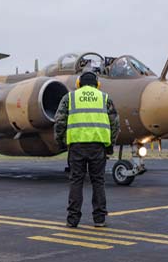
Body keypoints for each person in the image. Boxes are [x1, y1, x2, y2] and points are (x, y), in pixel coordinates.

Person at [54, 71, 120, 227]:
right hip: (98, 146)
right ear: (97, 84)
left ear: (78, 84)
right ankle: (99, 219)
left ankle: (73, 220)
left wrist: (61, 142)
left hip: (76, 146)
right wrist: (110, 144)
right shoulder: (104, 98)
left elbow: (59, 122)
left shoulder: (69, 97)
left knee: (76, 181)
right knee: (98, 182)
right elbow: (115, 124)